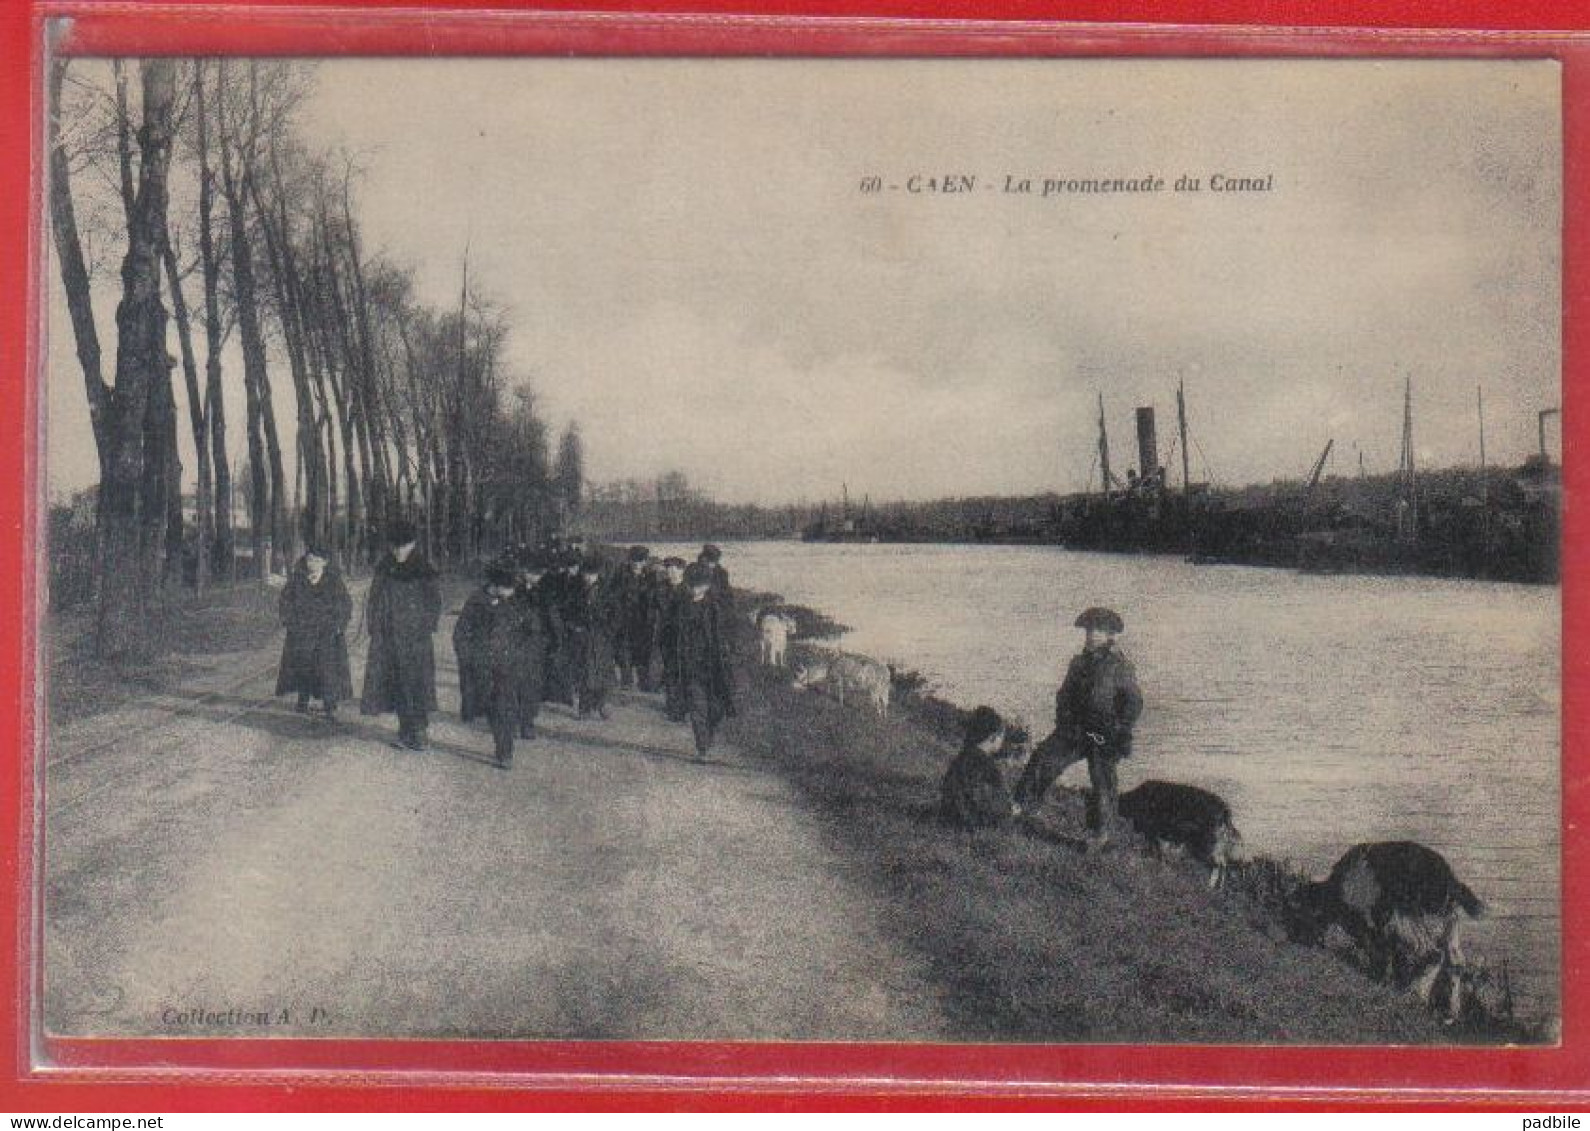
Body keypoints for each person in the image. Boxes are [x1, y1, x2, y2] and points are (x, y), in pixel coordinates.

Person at [1013, 606, 1143, 849]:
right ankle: (1022, 809)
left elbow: (1134, 702)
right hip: (1075, 730)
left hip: (1105, 733)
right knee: (1043, 759)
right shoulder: (1078, 663)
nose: (1093, 635)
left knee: (1103, 783)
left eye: (1100, 631)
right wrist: (1064, 720)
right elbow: (1063, 695)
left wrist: (1120, 730)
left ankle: (1100, 835)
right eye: (1089, 630)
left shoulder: (1120, 666)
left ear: (1110, 636)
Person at [360, 520, 443, 751]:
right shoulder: (384, 568)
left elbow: (434, 602)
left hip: (415, 638)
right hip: (388, 637)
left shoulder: (423, 568)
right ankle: (405, 729)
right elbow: (374, 599)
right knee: (395, 683)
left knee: (416, 683)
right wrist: (374, 626)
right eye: (394, 546)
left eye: (403, 546)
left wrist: (425, 626)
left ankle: (419, 731)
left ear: (413, 544)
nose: (398, 551)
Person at [453, 562, 538, 769]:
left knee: (504, 707)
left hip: (507, 665)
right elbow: (460, 634)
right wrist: (468, 658)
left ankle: (504, 751)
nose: (511, 592)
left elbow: (532, 629)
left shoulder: (516, 601)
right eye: (507, 588)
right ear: (496, 585)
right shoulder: (476, 601)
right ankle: (500, 741)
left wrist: (522, 652)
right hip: (482, 666)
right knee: (490, 707)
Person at [274, 546, 353, 720]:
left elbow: (344, 604)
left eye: (317, 560)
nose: (313, 564)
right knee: (304, 667)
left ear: (325, 562)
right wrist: (290, 623)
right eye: (310, 560)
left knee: (327, 670)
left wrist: (339, 625)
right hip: (303, 633)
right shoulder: (297, 579)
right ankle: (302, 700)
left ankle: (329, 705)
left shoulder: (334, 581)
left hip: (327, 634)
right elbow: (285, 602)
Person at [671, 562, 734, 759]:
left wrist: (729, 652)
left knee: (716, 708)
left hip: (714, 665)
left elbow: (726, 634)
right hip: (691, 665)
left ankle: (708, 734)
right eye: (692, 586)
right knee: (697, 707)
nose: (695, 590)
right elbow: (671, 632)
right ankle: (702, 747)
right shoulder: (681, 607)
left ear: (707, 585)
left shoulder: (715, 608)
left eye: (700, 585)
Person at [938, 705, 1021, 830]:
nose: (1002, 741)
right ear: (993, 737)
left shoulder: (962, 758)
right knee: (1027, 821)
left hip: (950, 814)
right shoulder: (988, 766)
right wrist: (1009, 810)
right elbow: (988, 801)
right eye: (1002, 737)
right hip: (972, 821)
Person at [564, 555, 620, 719]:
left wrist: (609, 631)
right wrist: (574, 628)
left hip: (602, 637)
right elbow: (568, 612)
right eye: (586, 574)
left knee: (602, 671)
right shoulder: (576, 591)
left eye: (592, 574)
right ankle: (585, 707)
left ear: (598, 575)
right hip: (583, 637)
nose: (588, 578)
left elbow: (617, 615)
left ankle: (602, 703)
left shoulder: (608, 592)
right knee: (584, 672)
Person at [614, 545, 659, 691]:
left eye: (640, 561)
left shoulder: (651, 576)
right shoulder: (621, 575)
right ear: (629, 561)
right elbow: (616, 595)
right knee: (624, 649)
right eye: (634, 560)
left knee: (643, 650)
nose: (636, 564)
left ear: (645, 562)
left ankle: (643, 680)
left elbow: (653, 597)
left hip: (643, 620)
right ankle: (626, 680)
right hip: (625, 618)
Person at [653, 556, 689, 722]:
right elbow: (658, 609)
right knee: (670, 669)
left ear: (682, 571)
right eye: (668, 570)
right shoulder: (661, 589)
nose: (671, 574)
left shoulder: (688, 590)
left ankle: (681, 706)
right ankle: (672, 705)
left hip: (685, 638)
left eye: (674, 570)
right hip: (667, 636)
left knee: (683, 670)